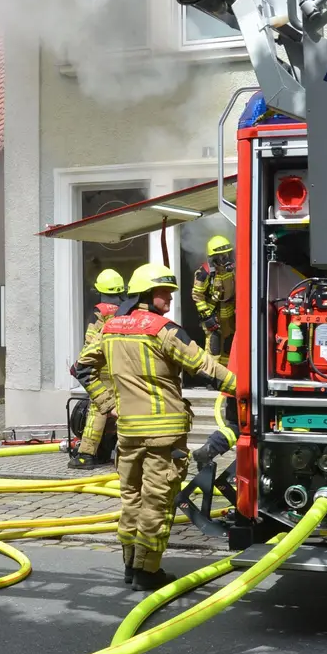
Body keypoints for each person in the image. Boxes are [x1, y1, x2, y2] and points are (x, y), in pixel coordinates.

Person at [74, 262, 235, 592]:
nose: (171, 300)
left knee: (131, 499)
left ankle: (131, 567)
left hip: (129, 431)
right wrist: (243, 388)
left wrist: (108, 405)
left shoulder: (111, 327)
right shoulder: (164, 329)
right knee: (157, 502)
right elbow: (204, 367)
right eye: (165, 293)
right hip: (164, 434)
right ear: (147, 294)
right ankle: (148, 572)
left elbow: (81, 368)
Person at [69, 268, 127, 470]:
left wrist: (80, 365)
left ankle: (86, 455)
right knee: (115, 409)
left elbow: (92, 344)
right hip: (120, 369)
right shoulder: (126, 312)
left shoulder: (102, 315)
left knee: (98, 411)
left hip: (101, 371)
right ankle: (107, 450)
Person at [192, 235, 237, 366]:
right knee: (214, 346)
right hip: (213, 314)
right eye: (221, 257)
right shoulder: (204, 273)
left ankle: (226, 372)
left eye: (227, 255)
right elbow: (197, 294)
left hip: (229, 314)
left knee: (229, 344)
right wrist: (207, 316)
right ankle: (212, 376)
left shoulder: (232, 270)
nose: (225, 260)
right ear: (213, 258)